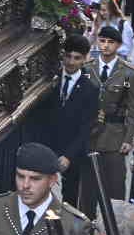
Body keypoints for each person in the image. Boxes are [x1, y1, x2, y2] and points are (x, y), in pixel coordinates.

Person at [28, 35, 99, 207]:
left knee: (69, 200)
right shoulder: (49, 80)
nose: (71, 62)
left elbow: (86, 128)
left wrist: (68, 156)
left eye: (77, 58)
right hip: (46, 148)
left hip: (71, 154)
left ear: (85, 59)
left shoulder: (90, 89)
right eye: (68, 56)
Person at [82, 25, 134, 218]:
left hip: (114, 136)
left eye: (111, 42)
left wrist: (128, 138)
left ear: (118, 45)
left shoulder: (129, 73)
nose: (106, 46)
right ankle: (87, 224)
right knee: (88, 187)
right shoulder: (87, 68)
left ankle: (116, 226)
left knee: (115, 186)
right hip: (90, 134)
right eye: (102, 41)